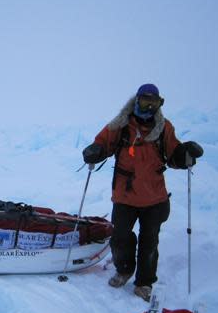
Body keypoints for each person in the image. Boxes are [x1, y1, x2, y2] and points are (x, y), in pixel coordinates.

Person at [82, 84, 202, 301]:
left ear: (159, 104)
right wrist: (95, 151)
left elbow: (174, 156)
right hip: (125, 196)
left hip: (154, 198)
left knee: (149, 242)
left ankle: (144, 283)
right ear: (136, 100)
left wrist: (186, 154)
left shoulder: (164, 128)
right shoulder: (121, 125)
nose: (149, 106)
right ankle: (124, 269)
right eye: (145, 100)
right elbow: (103, 143)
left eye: (154, 102)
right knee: (120, 237)